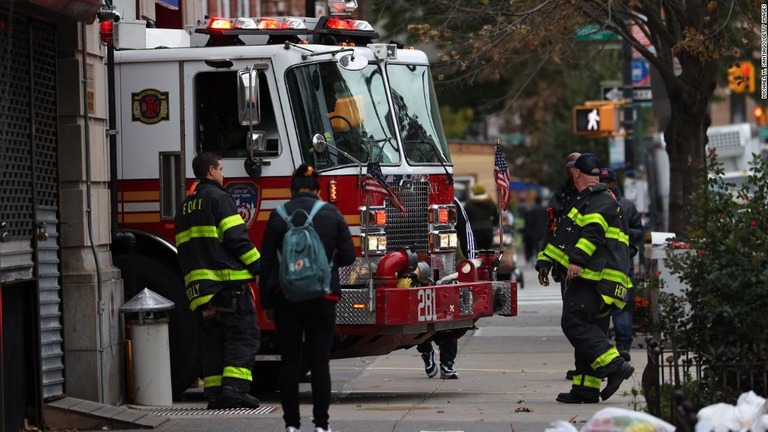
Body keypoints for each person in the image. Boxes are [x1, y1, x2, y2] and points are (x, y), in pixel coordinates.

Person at [259, 164, 355, 432]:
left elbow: (266, 262)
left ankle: (291, 425)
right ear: (317, 188)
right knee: (319, 361)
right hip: (323, 297)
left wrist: (267, 304)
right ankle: (322, 425)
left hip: (285, 296)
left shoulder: (278, 216)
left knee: (290, 361)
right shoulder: (331, 214)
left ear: (292, 188)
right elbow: (349, 257)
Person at [536, 153, 634, 404]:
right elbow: (563, 237)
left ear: (576, 173)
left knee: (574, 321)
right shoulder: (588, 200)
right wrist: (546, 261)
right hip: (601, 279)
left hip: (596, 278)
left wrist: (577, 261)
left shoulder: (599, 201)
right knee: (591, 331)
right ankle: (586, 388)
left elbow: (592, 234)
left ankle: (614, 366)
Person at [174, 152, 261, 409]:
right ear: (211, 171)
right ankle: (234, 390)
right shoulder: (219, 198)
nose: (223, 174)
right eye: (221, 169)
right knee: (243, 335)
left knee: (213, 339)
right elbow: (236, 237)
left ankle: (214, 392)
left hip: (201, 291)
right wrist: (258, 266)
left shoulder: (185, 206)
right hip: (226, 285)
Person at [416, 196, 475, 380]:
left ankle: (447, 363)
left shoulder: (450, 199)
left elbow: (465, 230)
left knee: (450, 317)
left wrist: (472, 262)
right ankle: (427, 353)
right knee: (415, 321)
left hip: (445, 270)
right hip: (413, 270)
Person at [599, 168, 644, 362]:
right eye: (601, 180)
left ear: (614, 184)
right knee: (607, 308)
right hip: (602, 265)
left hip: (619, 265)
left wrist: (626, 239)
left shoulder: (625, 206)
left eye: (607, 181)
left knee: (620, 307)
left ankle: (622, 346)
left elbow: (638, 234)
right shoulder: (593, 204)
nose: (604, 183)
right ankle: (607, 348)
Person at [463, 183, 499, 250]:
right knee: (487, 251)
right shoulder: (491, 203)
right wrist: (492, 224)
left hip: (475, 230)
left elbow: (465, 218)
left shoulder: (469, 204)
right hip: (488, 230)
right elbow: (497, 217)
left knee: (477, 252)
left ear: (474, 192)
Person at [522, 195, 548, 265]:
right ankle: (540, 259)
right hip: (543, 231)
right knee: (542, 246)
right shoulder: (545, 210)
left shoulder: (532, 210)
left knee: (534, 246)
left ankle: (533, 258)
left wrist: (529, 231)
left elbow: (529, 221)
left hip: (534, 232)